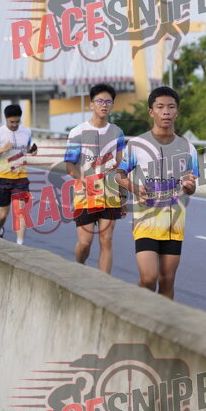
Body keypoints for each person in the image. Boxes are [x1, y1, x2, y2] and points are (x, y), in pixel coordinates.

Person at [115, 86, 199, 299]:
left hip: (174, 225)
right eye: (160, 107)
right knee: (149, 278)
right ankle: (135, 310)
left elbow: (192, 184)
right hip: (146, 222)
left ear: (177, 111)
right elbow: (118, 175)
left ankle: (162, 321)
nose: (166, 112)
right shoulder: (137, 145)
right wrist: (134, 188)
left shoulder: (188, 148)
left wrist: (189, 187)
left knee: (167, 280)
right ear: (151, 112)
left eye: (171, 107)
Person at [64, 83, 125, 274]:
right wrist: (83, 180)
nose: (104, 105)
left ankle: (103, 284)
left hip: (110, 194)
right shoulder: (77, 132)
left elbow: (120, 167)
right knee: (85, 243)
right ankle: (80, 267)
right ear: (91, 105)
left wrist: (123, 196)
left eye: (108, 101)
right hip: (85, 195)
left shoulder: (117, 133)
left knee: (106, 239)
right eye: (100, 101)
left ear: (112, 105)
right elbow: (69, 165)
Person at [0, 104, 37, 242]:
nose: (14, 125)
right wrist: (3, 149)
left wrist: (32, 150)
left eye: (17, 121)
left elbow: (27, 148)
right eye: (11, 122)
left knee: (21, 211)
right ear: (6, 119)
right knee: (3, 214)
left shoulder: (27, 132)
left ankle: (19, 245)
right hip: (3, 177)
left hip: (21, 178)